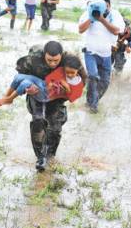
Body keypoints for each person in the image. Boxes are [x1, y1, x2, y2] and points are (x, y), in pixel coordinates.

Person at [16, 41, 87, 171]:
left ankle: (50, 155)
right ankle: (40, 157)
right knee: (38, 121)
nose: (52, 63)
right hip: (37, 93)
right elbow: (20, 74)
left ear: (61, 56)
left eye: (56, 60)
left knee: (55, 127)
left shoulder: (69, 60)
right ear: (44, 55)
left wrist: (67, 91)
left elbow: (83, 79)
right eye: (49, 60)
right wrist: (28, 87)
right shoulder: (34, 58)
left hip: (57, 97)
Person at [78, 0, 125, 113]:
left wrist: (102, 19)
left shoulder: (115, 14)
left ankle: (92, 101)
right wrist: (91, 18)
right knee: (93, 76)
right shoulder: (88, 12)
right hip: (90, 52)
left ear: (108, 6)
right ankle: (92, 106)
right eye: (98, 6)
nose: (100, 9)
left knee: (105, 82)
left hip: (106, 54)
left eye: (103, 6)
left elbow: (116, 31)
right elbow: (80, 29)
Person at [0, 54, 84, 106]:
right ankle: (6, 96)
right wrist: (51, 83)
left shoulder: (79, 86)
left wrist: (67, 88)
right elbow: (49, 79)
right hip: (44, 85)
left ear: (78, 70)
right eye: (67, 72)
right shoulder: (61, 70)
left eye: (72, 73)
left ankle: (10, 99)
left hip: (47, 95)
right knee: (18, 77)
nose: (69, 75)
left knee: (25, 83)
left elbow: (72, 99)